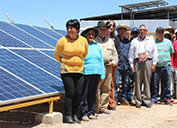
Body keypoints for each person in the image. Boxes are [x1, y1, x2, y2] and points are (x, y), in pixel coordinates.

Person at [54, 19, 88, 124]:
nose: (69, 30)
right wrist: (65, 63)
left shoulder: (83, 40)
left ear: (77, 29)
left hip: (79, 70)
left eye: (72, 28)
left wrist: (78, 63)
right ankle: (68, 116)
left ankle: (75, 114)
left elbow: (85, 53)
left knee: (78, 93)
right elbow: (56, 55)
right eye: (68, 28)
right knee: (70, 93)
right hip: (67, 71)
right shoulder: (62, 40)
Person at [129, 24, 158, 108]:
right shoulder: (134, 41)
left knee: (147, 81)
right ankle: (138, 101)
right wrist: (132, 66)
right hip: (137, 62)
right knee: (137, 82)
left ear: (146, 31)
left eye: (143, 30)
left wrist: (154, 64)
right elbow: (131, 54)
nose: (142, 32)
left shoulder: (151, 41)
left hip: (148, 62)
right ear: (138, 32)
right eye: (140, 30)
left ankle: (146, 100)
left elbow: (155, 53)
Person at [80, 27, 105, 121]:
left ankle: (91, 112)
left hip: (96, 72)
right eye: (89, 34)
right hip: (86, 72)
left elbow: (101, 61)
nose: (91, 36)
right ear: (85, 36)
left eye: (93, 34)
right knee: (85, 94)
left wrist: (102, 74)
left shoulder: (97, 46)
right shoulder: (83, 45)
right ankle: (84, 113)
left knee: (92, 94)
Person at [94, 20, 118, 114]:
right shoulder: (94, 41)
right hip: (98, 67)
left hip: (108, 67)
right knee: (97, 88)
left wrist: (113, 63)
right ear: (97, 30)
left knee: (107, 88)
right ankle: (96, 108)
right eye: (101, 29)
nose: (103, 31)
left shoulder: (110, 41)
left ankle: (103, 107)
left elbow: (115, 54)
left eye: (105, 29)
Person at [150, 27, 174, 105]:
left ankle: (166, 98)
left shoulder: (168, 42)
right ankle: (154, 98)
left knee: (166, 83)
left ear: (164, 34)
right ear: (156, 34)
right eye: (159, 33)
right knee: (155, 83)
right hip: (156, 66)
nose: (160, 34)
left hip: (166, 65)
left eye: (162, 33)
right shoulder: (153, 42)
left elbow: (171, 53)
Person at [114, 23, 133, 105]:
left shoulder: (128, 42)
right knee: (116, 83)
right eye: (121, 30)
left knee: (126, 83)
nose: (122, 32)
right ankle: (114, 99)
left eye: (124, 30)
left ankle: (123, 98)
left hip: (126, 65)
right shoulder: (114, 40)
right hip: (117, 65)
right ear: (118, 31)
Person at [106, 19, 120, 110]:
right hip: (102, 63)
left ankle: (111, 102)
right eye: (109, 25)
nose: (111, 27)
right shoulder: (99, 38)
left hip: (112, 64)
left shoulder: (115, 39)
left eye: (113, 26)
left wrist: (113, 61)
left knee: (111, 83)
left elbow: (118, 51)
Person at [171, 29, 177, 99]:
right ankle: (176, 94)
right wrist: (172, 65)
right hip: (176, 65)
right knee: (176, 81)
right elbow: (172, 55)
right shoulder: (174, 43)